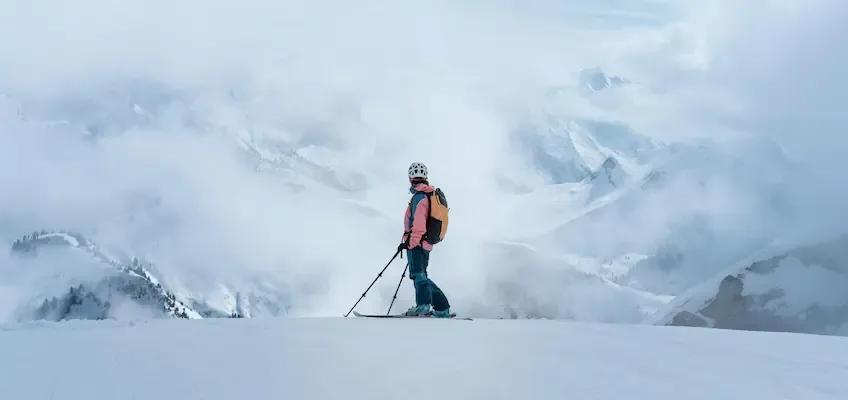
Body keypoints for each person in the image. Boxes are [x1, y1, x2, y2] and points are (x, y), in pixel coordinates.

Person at [399, 162, 451, 318]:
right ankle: (441, 308)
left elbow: (419, 225)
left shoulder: (420, 197)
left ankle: (424, 306)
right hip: (425, 243)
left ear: (410, 178)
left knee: (419, 275)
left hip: (418, 243)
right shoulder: (428, 194)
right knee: (421, 275)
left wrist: (411, 243)